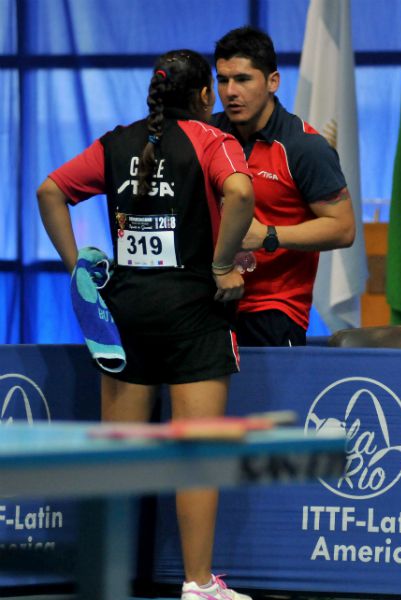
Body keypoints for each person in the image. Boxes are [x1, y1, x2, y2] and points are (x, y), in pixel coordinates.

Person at [36, 50, 255, 600]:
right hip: (193, 312)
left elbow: (50, 191)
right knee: (197, 454)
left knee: (120, 457)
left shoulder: (116, 143)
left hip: (126, 311)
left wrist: (76, 270)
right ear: (205, 94)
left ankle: (104, 580)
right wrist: (224, 264)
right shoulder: (213, 140)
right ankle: (199, 585)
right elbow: (242, 192)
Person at [212, 26, 356, 347]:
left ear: (273, 82)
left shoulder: (304, 147)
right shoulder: (207, 136)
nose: (231, 91)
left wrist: (267, 235)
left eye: (243, 79)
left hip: (273, 310)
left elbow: (343, 229)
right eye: (223, 80)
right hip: (209, 302)